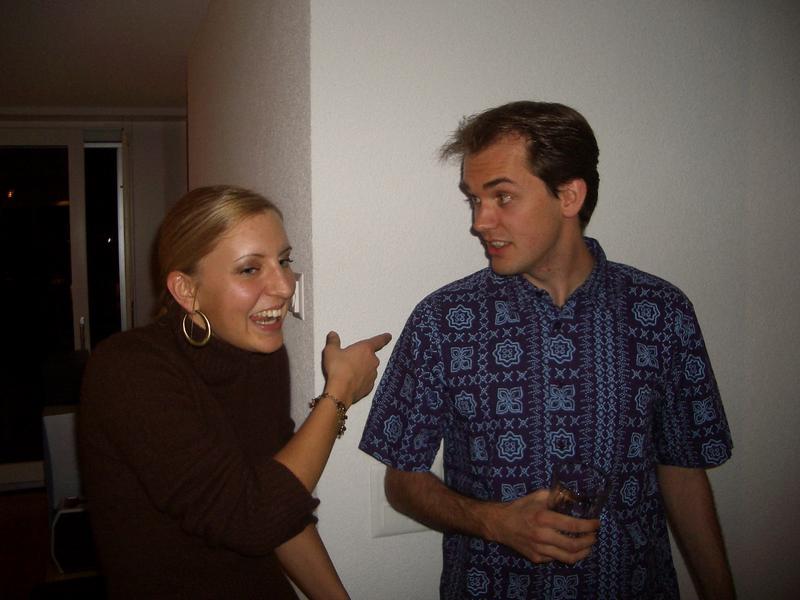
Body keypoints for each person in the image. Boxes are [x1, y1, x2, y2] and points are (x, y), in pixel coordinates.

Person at [359, 101, 735, 599]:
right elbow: (402, 481)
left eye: (502, 196)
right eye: (474, 199)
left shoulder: (661, 313)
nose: (480, 221)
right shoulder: (443, 321)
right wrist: (494, 522)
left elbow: (683, 471)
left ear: (569, 196)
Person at [79, 185, 391, 599]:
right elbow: (252, 517)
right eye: (250, 269)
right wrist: (339, 394)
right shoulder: (128, 370)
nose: (284, 286)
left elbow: (283, 510)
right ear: (187, 290)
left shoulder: (261, 356)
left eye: (284, 261)